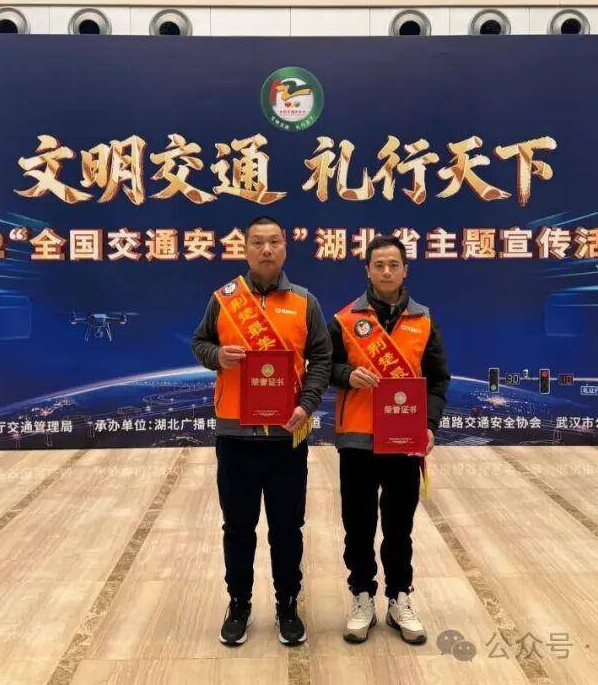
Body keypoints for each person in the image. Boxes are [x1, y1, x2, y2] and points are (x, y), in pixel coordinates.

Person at [191, 215, 332, 647]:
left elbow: (322, 358)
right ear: (245, 249)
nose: (266, 249)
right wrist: (218, 356)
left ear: (285, 247)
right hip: (235, 436)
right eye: (257, 242)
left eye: (273, 242)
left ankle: (288, 605)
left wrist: (307, 405)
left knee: (287, 528)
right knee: (238, 527)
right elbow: (199, 344)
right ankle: (239, 603)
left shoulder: (304, 301)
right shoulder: (224, 299)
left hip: (287, 436)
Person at [329, 234, 451, 645]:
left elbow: (438, 379)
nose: (386, 271)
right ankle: (362, 595)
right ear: (367, 270)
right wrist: (348, 376)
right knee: (358, 524)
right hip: (357, 439)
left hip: (403, 438)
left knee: (399, 526)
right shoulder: (345, 320)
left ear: (405, 270)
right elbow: (323, 368)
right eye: (378, 265)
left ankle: (399, 596)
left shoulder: (424, 320)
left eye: (393, 265)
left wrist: (428, 424)